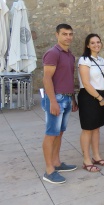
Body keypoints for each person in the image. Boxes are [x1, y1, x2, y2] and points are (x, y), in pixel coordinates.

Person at [41, 23, 78, 184]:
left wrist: (73, 99)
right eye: (64, 34)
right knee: (51, 134)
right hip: (55, 98)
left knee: (60, 132)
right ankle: (49, 170)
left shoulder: (70, 55)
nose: (68, 37)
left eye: (70, 34)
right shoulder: (52, 53)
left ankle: (56, 162)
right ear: (57, 35)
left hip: (67, 98)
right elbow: (47, 78)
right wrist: (53, 101)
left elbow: (68, 78)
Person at [77, 34, 104, 172]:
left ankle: (96, 156)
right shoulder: (84, 60)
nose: (96, 45)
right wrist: (99, 98)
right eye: (93, 43)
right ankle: (86, 159)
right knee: (87, 129)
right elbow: (86, 82)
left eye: (98, 42)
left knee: (96, 128)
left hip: (101, 95)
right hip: (89, 96)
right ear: (87, 45)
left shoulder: (101, 60)